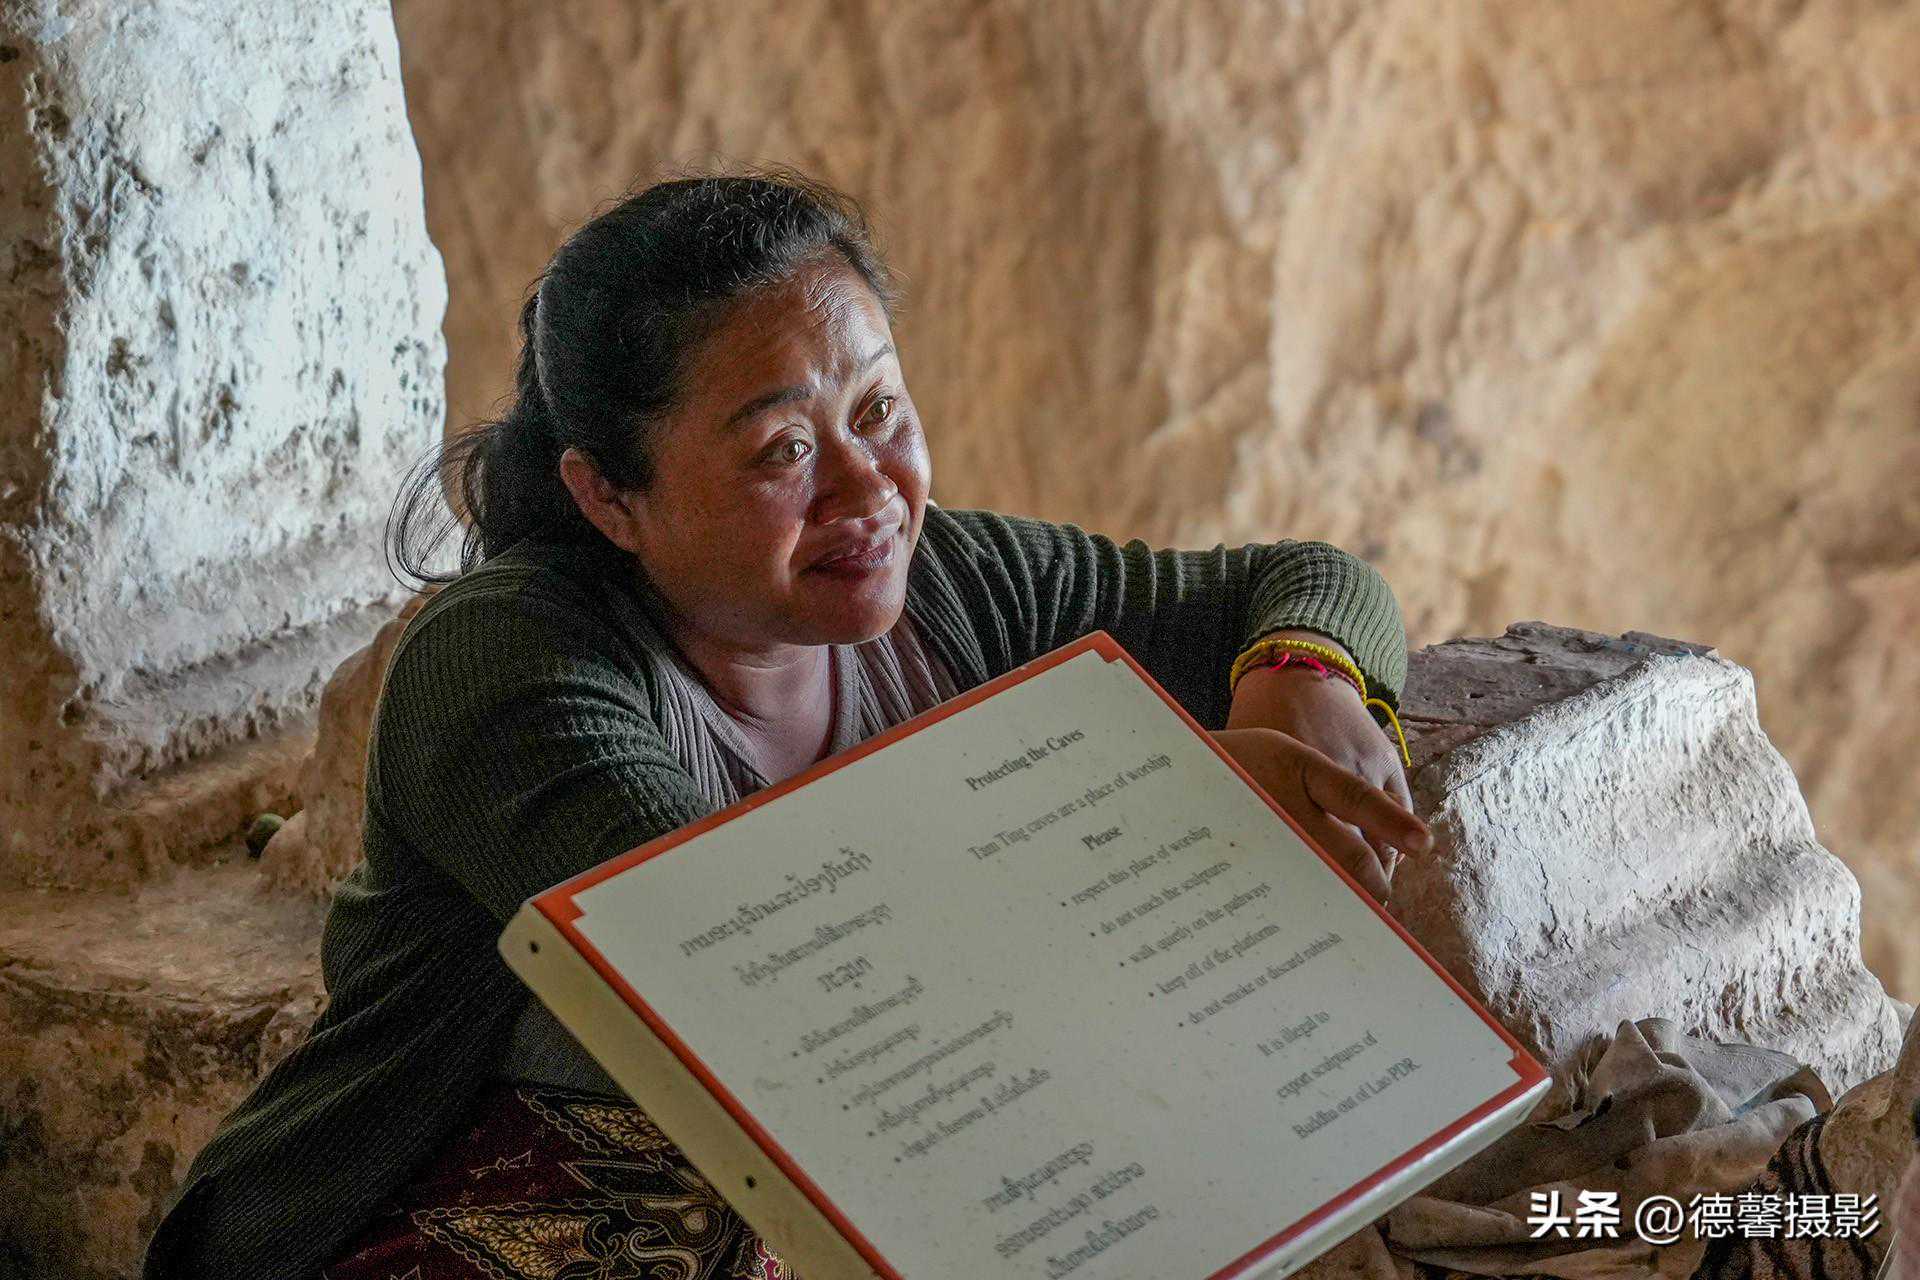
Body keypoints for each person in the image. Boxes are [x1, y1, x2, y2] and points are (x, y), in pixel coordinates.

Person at [143, 170, 1431, 1279]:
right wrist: (1153, 808)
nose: (867, 489)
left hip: (809, 1188)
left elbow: (1306, 579)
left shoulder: (954, 585)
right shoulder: (511, 665)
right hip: (452, 1206)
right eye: (780, 452)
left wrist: (1300, 677)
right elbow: (773, 960)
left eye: (878, 411)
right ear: (608, 498)